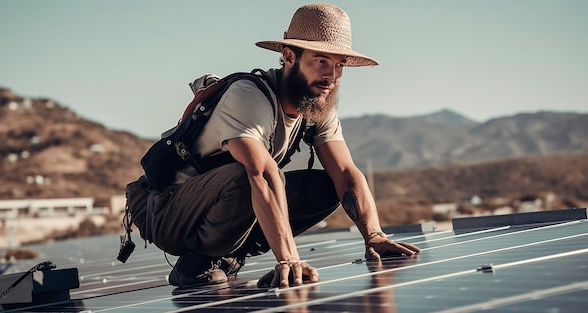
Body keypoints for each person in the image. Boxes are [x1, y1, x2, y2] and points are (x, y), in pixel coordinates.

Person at [133, 3, 421, 289]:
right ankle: (198, 261)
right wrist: (289, 259)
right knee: (252, 175)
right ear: (289, 57)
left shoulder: (316, 106)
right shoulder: (248, 96)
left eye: (339, 65)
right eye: (320, 61)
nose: (331, 76)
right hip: (167, 212)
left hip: (215, 207)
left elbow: (345, 172)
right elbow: (262, 173)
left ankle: (230, 253)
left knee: (324, 188)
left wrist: (375, 236)